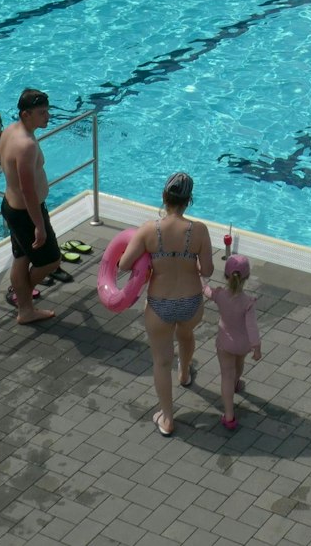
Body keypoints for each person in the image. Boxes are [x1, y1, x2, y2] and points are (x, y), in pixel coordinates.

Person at [134, 172, 214, 436]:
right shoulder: (199, 230)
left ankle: (167, 418)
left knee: (161, 361)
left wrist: (149, 260)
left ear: (163, 197)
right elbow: (208, 270)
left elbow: (122, 263)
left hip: (160, 304)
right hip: (191, 302)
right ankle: (184, 375)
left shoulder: (148, 230)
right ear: (189, 200)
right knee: (186, 333)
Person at [0, 88, 59, 325]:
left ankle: (25, 308)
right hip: (25, 213)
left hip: (11, 207)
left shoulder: (10, 131)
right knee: (50, 260)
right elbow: (27, 189)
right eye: (42, 113)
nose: (47, 117)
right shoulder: (26, 145)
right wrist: (39, 225)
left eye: (47, 112)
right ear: (26, 114)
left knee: (21, 258)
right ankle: (22, 300)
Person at [205, 253, 263, 431]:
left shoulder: (220, 295)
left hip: (225, 344)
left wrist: (200, 279)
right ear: (246, 278)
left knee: (226, 376)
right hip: (243, 345)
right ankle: (237, 382)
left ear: (226, 276)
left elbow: (206, 291)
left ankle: (229, 416)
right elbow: (252, 328)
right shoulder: (247, 303)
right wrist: (256, 348)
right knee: (239, 365)